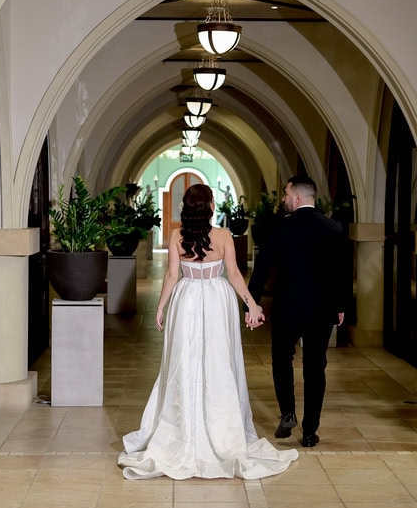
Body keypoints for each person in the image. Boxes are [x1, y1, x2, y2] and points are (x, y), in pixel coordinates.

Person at [117, 183, 298, 479]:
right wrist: (251, 304)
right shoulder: (225, 236)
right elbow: (235, 274)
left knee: (184, 360)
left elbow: (173, 275)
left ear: (185, 208)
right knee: (217, 360)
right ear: (211, 206)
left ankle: (183, 426)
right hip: (218, 298)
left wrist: (162, 306)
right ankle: (221, 428)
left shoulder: (177, 236)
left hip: (186, 298)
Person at [247, 175, 348, 448]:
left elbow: (262, 268)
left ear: (298, 198)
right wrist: (340, 306)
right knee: (316, 367)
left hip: (287, 308)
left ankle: (288, 413)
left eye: (286, 194)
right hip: (321, 310)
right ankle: (310, 430)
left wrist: (251, 303)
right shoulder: (334, 228)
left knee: (282, 360)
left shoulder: (281, 228)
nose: (283, 199)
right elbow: (342, 272)